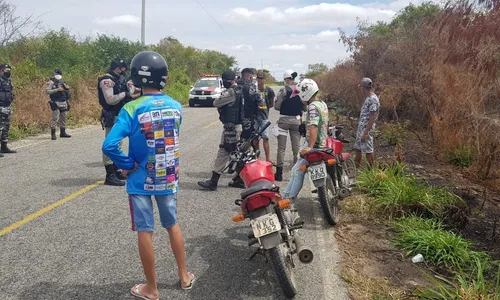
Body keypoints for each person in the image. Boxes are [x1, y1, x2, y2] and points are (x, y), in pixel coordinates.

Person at [102, 51, 194, 300]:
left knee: (145, 230)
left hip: (141, 181)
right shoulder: (175, 106)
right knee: (172, 224)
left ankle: (152, 289)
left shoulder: (131, 108)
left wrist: (127, 163)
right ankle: (184, 276)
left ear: (136, 77)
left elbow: (109, 145)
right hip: (168, 177)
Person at [197, 70, 245, 191]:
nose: (226, 82)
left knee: (224, 151)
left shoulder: (230, 92)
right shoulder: (240, 90)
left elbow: (216, 102)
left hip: (231, 127)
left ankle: (213, 182)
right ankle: (240, 179)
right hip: (238, 126)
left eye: (226, 80)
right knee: (235, 152)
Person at [282, 78, 329, 201]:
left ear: (305, 93)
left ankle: (289, 200)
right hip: (322, 143)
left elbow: (313, 127)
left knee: (297, 172)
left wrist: (309, 147)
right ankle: (286, 195)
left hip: (315, 145)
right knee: (295, 170)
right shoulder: (322, 104)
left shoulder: (313, 107)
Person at [98, 58, 140, 186]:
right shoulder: (107, 80)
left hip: (119, 114)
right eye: (123, 69)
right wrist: (125, 94)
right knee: (111, 143)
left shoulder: (118, 79)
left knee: (118, 144)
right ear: (117, 68)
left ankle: (116, 171)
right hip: (111, 114)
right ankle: (109, 175)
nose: (124, 72)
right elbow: (110, 99)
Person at [273, 70, 304, 181]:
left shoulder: (283, 90)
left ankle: (279, 174)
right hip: (296, 121)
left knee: (281, 148)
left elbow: (276, 106)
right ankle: (296, 172)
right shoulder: (299, 90)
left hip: (284, 121)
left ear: (286, 79)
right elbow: (304, 107)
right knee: (296, 148)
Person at [354, 77, 380, 169]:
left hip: (366, 129)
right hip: (361, 128)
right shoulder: (368, 98)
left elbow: (372, 117)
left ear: (364, 88)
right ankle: (356, 171)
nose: (361, 89)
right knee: (358, 149)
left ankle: (371, 172)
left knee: (368, 150)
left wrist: (366, 133)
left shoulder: (373, 99)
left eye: (361, 87)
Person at [252, 71, 275, 162]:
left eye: (261, 78)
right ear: (256, 78)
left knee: (265, 138)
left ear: (264, 79)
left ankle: (268, 159)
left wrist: (264, 107)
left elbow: (271, 102)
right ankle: (257, 158)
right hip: (254, 117)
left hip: (264, 117)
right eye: (258, 78)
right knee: (255, 138)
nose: (260, 80)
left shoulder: (268, 90)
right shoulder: (253, 89)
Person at [45, 69, 72, 140]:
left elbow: (66, 93)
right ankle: (53, 134)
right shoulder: (51, 82)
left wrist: (67, 88)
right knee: (55, 118)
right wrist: (56, 90)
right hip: (55, 102)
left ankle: (63, 132)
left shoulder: (62, 82)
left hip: (63, 102)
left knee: (63, 117)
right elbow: (47, 91)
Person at [0, 63, 16, 156]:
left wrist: (11, 96)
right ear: (1, 70)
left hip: (7, 106)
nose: (8, 72)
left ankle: (4, 147)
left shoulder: (8, 80)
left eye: (9, 71)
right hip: (0, 106)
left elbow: (11, 90)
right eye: (7, 70)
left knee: (6, 127)